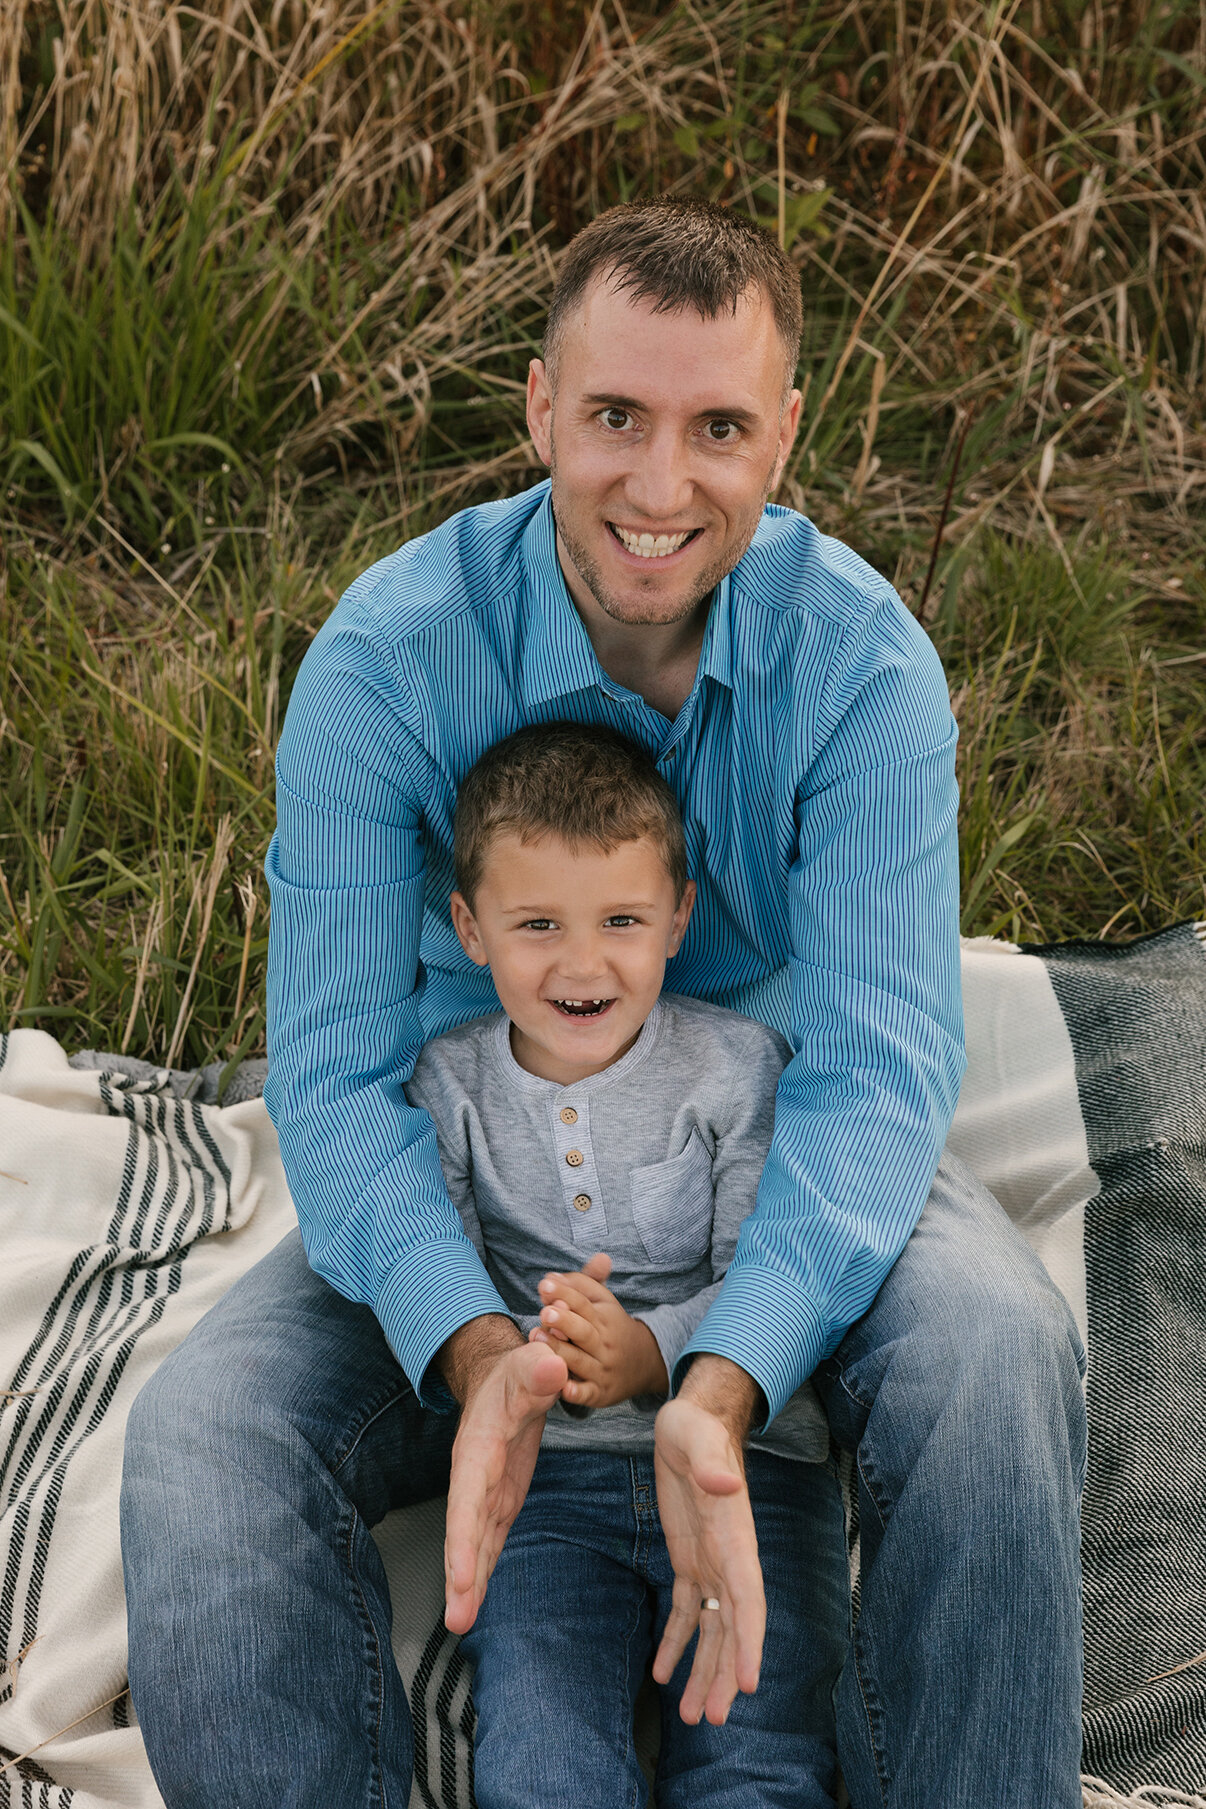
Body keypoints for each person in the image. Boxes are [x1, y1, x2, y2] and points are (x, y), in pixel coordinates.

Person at [120, 195, 1087, 1808]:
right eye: (615, 417)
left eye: (717, 426)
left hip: (766, 1149)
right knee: (199, 1441)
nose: (660, 483)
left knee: (994, 1350)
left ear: (785, 434)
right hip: (477, 1167)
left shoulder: (862, 671)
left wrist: (715, 1385)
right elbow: (342, 1076)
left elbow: (873, 1071)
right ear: (538, 412)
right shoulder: (385, 662)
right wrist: (478, 1343)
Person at [410, 718, 842, 1805]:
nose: (583, 962)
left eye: (621, 920)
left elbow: (771, 1272)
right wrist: (527, 1356)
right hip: (551, 1484)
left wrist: (651, 1351)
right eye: (537, 924)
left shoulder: (733, 1068)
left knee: (756, 1755)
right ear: (470, 928)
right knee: (542, 1759)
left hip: (747, 1474)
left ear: (678, 918)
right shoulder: (451, 1085)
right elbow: (446, 1277)